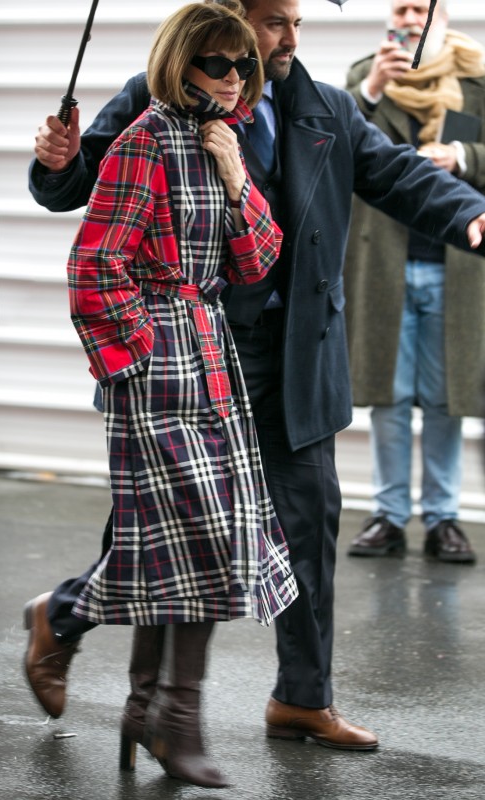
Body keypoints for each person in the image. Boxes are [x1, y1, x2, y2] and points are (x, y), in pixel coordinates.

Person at [25, 0, 485, 760]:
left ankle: (302, 698)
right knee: (160, 534)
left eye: (296, 23)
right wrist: (58, 162)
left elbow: (399, 175)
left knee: (307, 521)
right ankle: (65, 619)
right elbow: (87, 192)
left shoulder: (327, 107)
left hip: (297, 352)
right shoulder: (157, 92)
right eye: (275, 21)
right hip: (185, 357)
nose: (289, 39)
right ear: (236, 16)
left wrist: (470, 214)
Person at [26, 1, 301, 788]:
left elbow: (256, 262)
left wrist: (237, 176)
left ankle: (150, 713)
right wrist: (135, 359)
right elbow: (95, 264)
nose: (236, 77)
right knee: (201, 539)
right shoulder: (145, 141)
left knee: (178, 548)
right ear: (181, 65)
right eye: (219, 63)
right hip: (159, 367)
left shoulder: (220, 140)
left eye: (245, 64)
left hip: (213, 358)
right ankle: (173, 720)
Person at [344, 0, 485, 563]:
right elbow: (329, 141)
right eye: (399, 8)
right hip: (384, 263)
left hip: (457, 264)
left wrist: (463, 156)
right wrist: (373, 86)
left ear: (441, 18)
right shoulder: (365, 74)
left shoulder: (475, 78)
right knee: (391, 395)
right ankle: (389, 514)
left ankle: (444, 517)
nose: (408, 17)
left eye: (419, 9)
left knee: (447, 397)